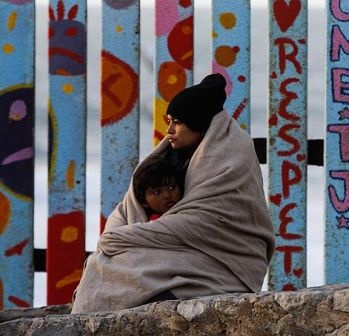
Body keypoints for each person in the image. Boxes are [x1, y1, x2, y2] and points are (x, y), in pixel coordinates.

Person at [71, 74, 275, 313]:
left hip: (224, 262)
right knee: (104, 265)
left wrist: (122, 238)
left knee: (126, 268)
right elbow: (130, 204)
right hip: (180, 250)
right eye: (170, 121)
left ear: (198, 123)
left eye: (177, 122)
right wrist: (118, 236)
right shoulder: (173, 156)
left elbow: (204, 221)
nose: (169, 130)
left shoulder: (231, 154)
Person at [132, 154, 183, 220]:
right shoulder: (153, 225)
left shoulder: (193, 214)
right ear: (144, 202)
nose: (167, 195)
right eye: (157, 192)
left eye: (172, 188)